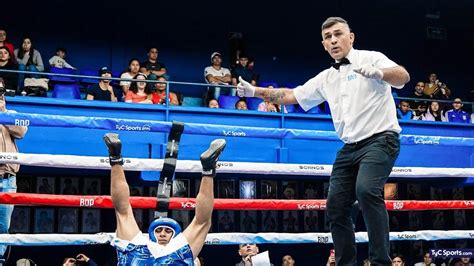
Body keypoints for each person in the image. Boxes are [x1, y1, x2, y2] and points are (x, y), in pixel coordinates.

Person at [237, 17, 409, 265]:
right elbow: (292, 95)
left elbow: (403, 76)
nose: (333, 40)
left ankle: (381, 261)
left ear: (351, 37)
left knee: (366, 191)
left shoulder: (371, 58)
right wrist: (255, 92)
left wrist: (379, 73)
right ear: (324, 45)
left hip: (381, 139)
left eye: (338, 34)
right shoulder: (327, 77)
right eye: (328, 37)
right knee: (336, 206)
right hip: (350, 147)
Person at [104, 133, 225, 264]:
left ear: (175, 235)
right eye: (159, 231)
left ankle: (115, 157)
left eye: (168, 231)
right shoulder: (179, 250)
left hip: (138, 254)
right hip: (170, 257)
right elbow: (202, 221)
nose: (162, 234)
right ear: (151, 233)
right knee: (202, 223)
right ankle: (208, 169)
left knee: (123, 212)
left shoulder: (140, 245)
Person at [0, 94, 28, 261]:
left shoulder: (11, 114)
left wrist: (3, 112)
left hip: (7, 178)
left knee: (3, 226)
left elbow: (21, 131)